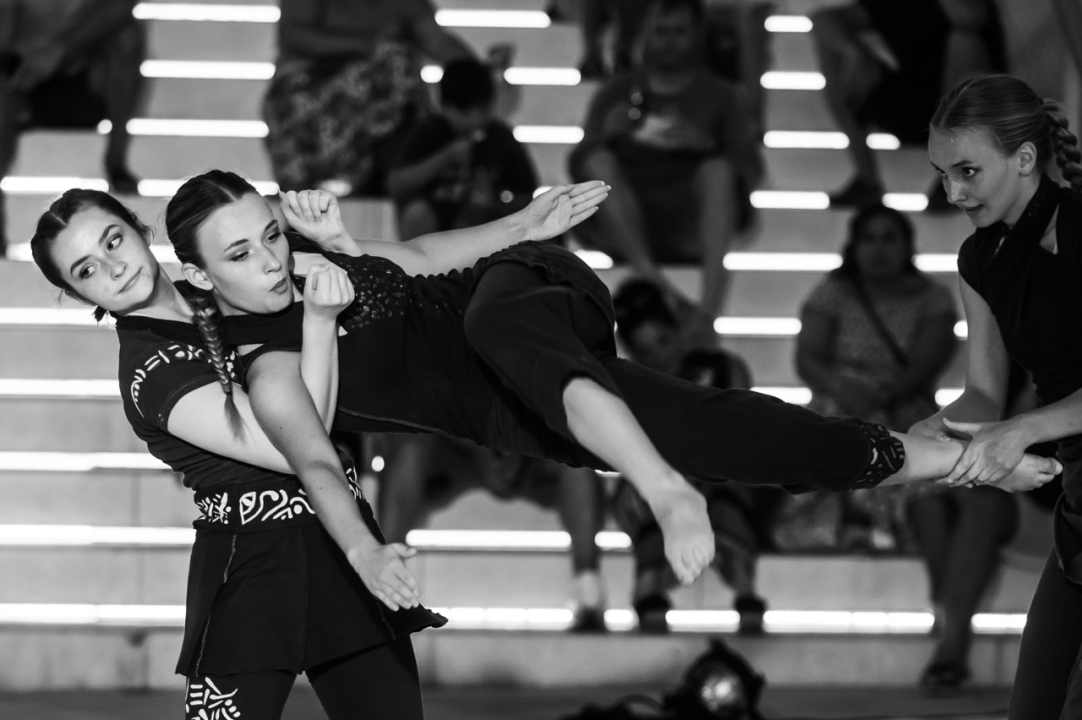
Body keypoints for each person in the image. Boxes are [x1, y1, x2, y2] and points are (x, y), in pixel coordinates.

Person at [158, 172, 1056, 589]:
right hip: (512, 404)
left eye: (271, 233)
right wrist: (363, 550)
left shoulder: (315, 256)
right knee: (728, 430)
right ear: (198, 275)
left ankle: (664, 491)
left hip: (520, 291)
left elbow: (427, 256)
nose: (270, 259)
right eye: (240, 254)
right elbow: (315, 455)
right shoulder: (262, 362)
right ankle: (958, 459)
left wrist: (524, 223)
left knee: (496, 324)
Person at [29, 190, 445, 718]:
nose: (114, 268)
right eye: (87, 270)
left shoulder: (225, 276)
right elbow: (295, 447)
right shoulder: (150, 374)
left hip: (339, 544)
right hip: (249, 573)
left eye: (114, 241)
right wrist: (318, 323)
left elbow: (398, 265)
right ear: (76, 292)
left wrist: (312, 222)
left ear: (138, 228)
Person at [912, 73, 1082, 717]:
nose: (953, 193)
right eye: (942, 174)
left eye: (967, 171)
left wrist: (1023, 429)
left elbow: (1011, 422)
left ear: (1025, 158)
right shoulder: (977, 260)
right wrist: (926, 433)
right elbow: (983, 394)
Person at [796, 203, 1017, 688]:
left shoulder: (931, 298)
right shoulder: (833, 292)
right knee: (920, 494)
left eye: (889, 238)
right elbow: (808, 358)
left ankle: (947, 615)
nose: (878, 249)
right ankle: (948, 617)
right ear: (853, 245)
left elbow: (925, 363)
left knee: (932, 500)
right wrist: (842, 386)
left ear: (907, 245)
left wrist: (881, 392)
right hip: (841, 414)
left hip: (907, 414)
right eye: (869, 238)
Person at [567, 0, 763, 326]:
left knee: (718, 171)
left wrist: (706, 145)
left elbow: (751, 170)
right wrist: (606, 135)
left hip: (691, 219)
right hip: (623, 217)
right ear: (647, 34)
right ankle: (655, 282)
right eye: (661, 32)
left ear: (697, 34)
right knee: (597, 161)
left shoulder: (722, 95)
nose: (669, 41)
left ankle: (708, 308)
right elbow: (580, 162)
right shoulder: (617, 91)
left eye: (678, 32)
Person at [611, 277, 781, 634]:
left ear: (678, 330)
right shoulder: (629, 385)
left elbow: (743, 430)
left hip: (721, 471)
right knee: (656, 491)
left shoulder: (725, 367)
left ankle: (744, 587)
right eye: (646, 351)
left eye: (663, 340)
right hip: (658, 482)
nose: (660, 356)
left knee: (729, 485)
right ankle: (649, 588)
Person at [376, 433, 609, 631]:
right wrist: (482, 447)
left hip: (534, 443)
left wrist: (516, 447)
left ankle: (588, 594)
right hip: (455, 442)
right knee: (408, 450)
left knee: (577, 455)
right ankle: (387, 590)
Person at [264, 0, 474, 196]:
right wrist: (363, 45)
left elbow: (436, 41)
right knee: (395, 61)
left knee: (401, 66)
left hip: (374, 128)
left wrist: (480, 71)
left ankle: (397, 174)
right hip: (309, 99)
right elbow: (294, 33)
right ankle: (309, 185)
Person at [811, 0, 1005, 207]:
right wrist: (853, 51)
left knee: (964, 39)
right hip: (915, 107)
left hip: (971, 108)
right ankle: (867, 180)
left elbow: (970, 17)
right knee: (833, 43)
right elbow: (821, 19)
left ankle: (960, 171)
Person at [0, 0, 144, 257]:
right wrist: (24, 57)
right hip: (23, 79)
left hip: (85, 83)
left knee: (127, 35)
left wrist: (61, 47)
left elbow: (122, 6)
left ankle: (116, 161)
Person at [388, 58, 538, 241]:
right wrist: (445, 157)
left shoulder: (500, 137)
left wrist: (495, 201)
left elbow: (526, 193)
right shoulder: (429, 132)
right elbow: (396, 184)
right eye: (465, 112)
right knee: (417, 214)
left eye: (483, 110)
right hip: (436, 229)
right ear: (446, 107)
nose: (476, 119)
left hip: (486, 224)